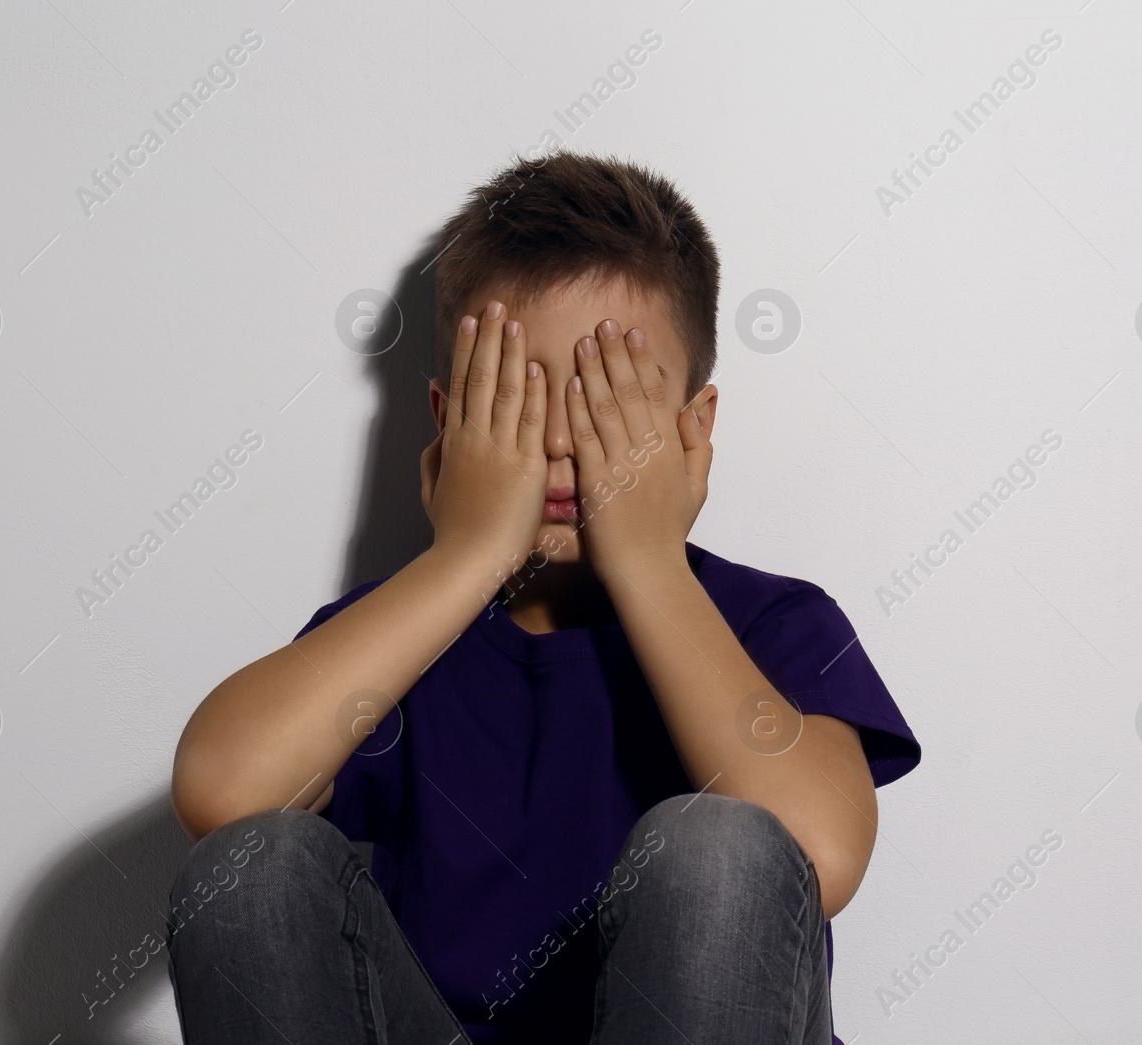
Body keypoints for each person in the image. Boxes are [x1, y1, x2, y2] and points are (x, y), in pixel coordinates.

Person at [163, 150, 922, 1045]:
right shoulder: (406, 642)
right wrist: (470, 552)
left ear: (694, 426)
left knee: (718, 848)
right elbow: (223, 794)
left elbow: (819, 857)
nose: (564, 436)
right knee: (256, 862)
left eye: (610, 398)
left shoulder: (772, 624)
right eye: (519, 395)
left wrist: (646, 558)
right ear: (448, 418)